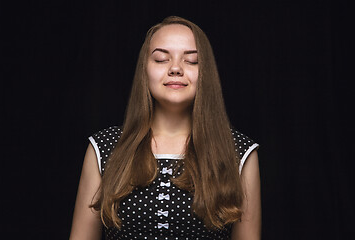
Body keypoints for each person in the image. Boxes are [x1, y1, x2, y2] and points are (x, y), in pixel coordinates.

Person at [70, 16, 261, 240]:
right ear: (145, 70)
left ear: (206, 73)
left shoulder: (239, 152)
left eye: (191, 61)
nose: (176, 68)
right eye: (161, 59)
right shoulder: (104, 147)